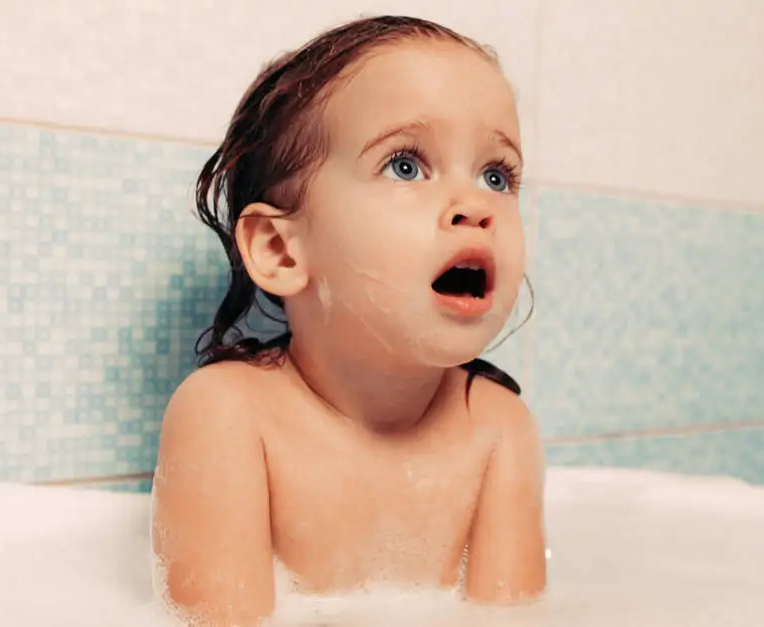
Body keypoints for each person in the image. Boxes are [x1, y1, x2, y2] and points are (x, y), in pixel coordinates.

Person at [149, 14, 546, 626]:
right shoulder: (228, 416)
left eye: (497, 176)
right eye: (406, 164)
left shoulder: (498, 429)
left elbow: (517, 618)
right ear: (282, 251)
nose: (477, 207)